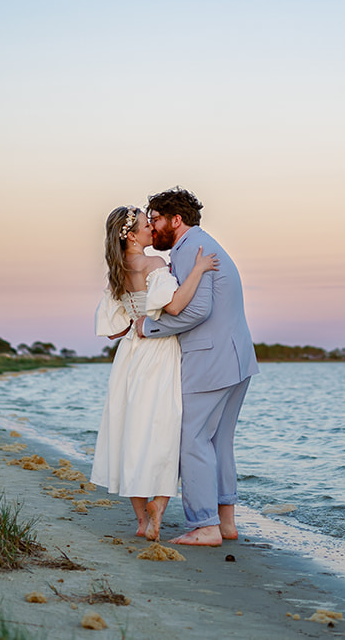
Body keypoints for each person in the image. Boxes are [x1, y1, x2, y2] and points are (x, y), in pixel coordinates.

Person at [135, 187, 258, 547]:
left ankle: (204, 526)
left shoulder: (190, 249)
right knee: (218, 441)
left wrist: (148, 327)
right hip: (236, 358)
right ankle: (225, 523)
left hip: (210, 358)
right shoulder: (204, 244)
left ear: (176, 220)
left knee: (190, 438)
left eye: (155, 219)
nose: (152, 227)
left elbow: (196, 310)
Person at [92, 204, 218, 541]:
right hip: (159, 352)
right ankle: (158, 508)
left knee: (130, 431)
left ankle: (140, 521)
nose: (153, 230)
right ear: (132, 236)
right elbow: (174, 306)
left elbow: (114, 330)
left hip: (130, 354)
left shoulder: (118, 271)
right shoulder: (155, 264)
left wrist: (137, 317)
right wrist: (199, 270)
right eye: (147, 226)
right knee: (163, 429)